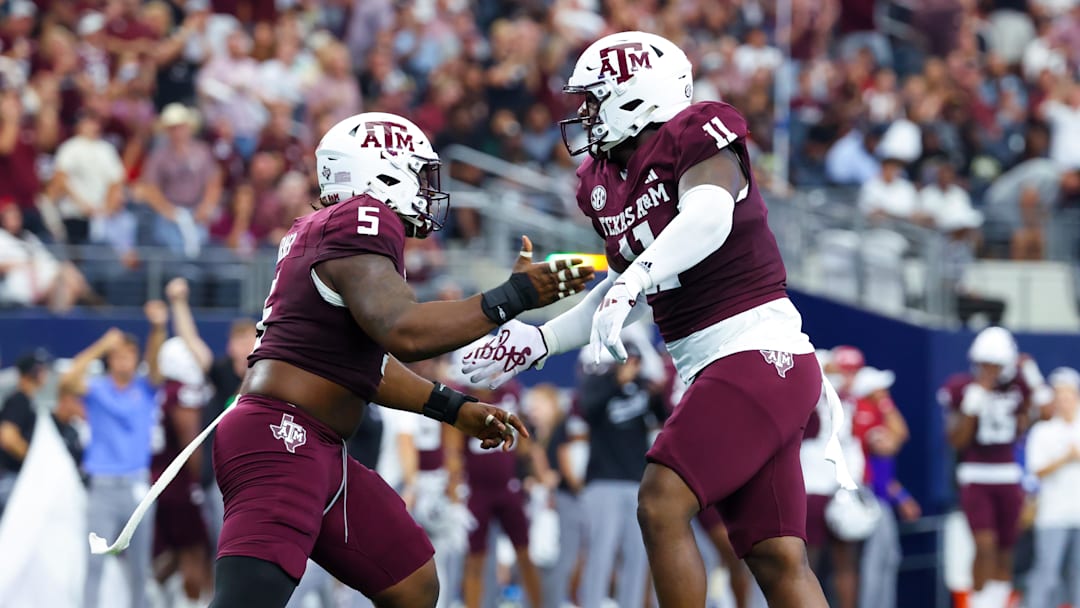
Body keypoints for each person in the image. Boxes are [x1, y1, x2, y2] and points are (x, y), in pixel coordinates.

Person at [462, 31, 847, 608]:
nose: (583, 115)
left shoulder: (696, 131)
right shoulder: (601, 181)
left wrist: (636, 279)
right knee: (776, 556)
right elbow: (626, 286)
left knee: (662, 500)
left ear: (637, 93)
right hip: (719, 364)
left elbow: (708, 214)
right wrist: (541, 338)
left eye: (594, 99)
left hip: (757, 348)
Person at [208, 111, 593, 608]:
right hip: (284, 439)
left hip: (316, 443)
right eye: (417, 173)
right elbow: (403, 331)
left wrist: (454, 408)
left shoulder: (329, 229)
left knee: (411, 582)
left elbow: (364, 362)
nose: (426, 188)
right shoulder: (363, 219)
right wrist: (514, 295)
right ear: (379, 172)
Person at [61, 305, 168, 608]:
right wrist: (101, 346)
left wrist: (158, 328)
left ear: (136, 359)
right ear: (110, 359)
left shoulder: (145, 388)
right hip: (103, 488)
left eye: (128, 355)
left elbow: (156, 365)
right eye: (118, 355)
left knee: (139, 568)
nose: (124, 360)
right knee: (95, 564)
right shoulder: (97, 389)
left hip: (137, 486)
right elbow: (66, 383)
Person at [940, 327, 1037, 608]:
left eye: (995, 365)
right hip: (976, 474)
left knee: (1006, 549)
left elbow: (1037, 415)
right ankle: (979, 603)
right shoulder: (962, 388)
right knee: (984, 546)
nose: (990, 370)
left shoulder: (1019, 387)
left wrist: (1032, 377)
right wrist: (974, 401)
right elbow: (955, 439)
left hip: (1008, 474)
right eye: (985, 364)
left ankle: (997, 603)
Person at [576, 342, 667, 608]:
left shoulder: (644, 386)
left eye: (636, 362)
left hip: (636, 481)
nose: (632, 367)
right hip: (603, 480)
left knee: (638, 555)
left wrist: (657, 396)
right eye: (627, 361)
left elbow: (662, 418)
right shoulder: (598, 381)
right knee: (600, 552)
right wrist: (616, 383)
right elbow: (588, 411)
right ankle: (591, 603)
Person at [445, 374, 543, 608]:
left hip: (508, 486)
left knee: (524, 554)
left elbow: (525, 439)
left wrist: (534, 474)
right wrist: (454, 488)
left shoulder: (511, 393)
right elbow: (452, 448)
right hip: (476, 489)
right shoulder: (462, 398)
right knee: (475, 559)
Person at [153, 278, 215, 605]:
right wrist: (202, 475)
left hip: (162, 483)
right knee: (196, 552)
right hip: (182, 484)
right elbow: (191, 443)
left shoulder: (164, 390)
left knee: (177, 552)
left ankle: (156, 594)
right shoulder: (183, 395)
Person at [1024, 367, 1080, 608]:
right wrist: (1066, 458)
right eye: (1059, 396)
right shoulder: (1042, 431)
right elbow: (1036, 470)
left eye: (1068, 396)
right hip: (1052, 516)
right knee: (1047, 575)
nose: (1064, 401)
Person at [0, 349, 52, 517]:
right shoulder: (20, 400)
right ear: (34, 371)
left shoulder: (25, 400)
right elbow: (8, 436)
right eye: (42, 369)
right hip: (13, 479)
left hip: (16, 479)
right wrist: (34, 461)